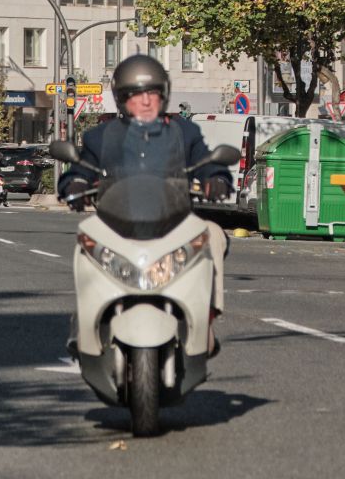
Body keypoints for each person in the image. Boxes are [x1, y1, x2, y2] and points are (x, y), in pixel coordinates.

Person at [59, 57, 233, 337]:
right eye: (136, 95)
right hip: (116, 222)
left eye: (152, 93)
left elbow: (206, 160)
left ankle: (205, 318)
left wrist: (217, 178)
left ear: (163, 96)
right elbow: (79, 167)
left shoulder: (184, 132)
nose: (146, 101)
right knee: (85, 239)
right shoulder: (100, 136)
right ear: (121, 99)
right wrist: (76, 184)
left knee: (213, 235)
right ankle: (86, 321)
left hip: (174, 222)